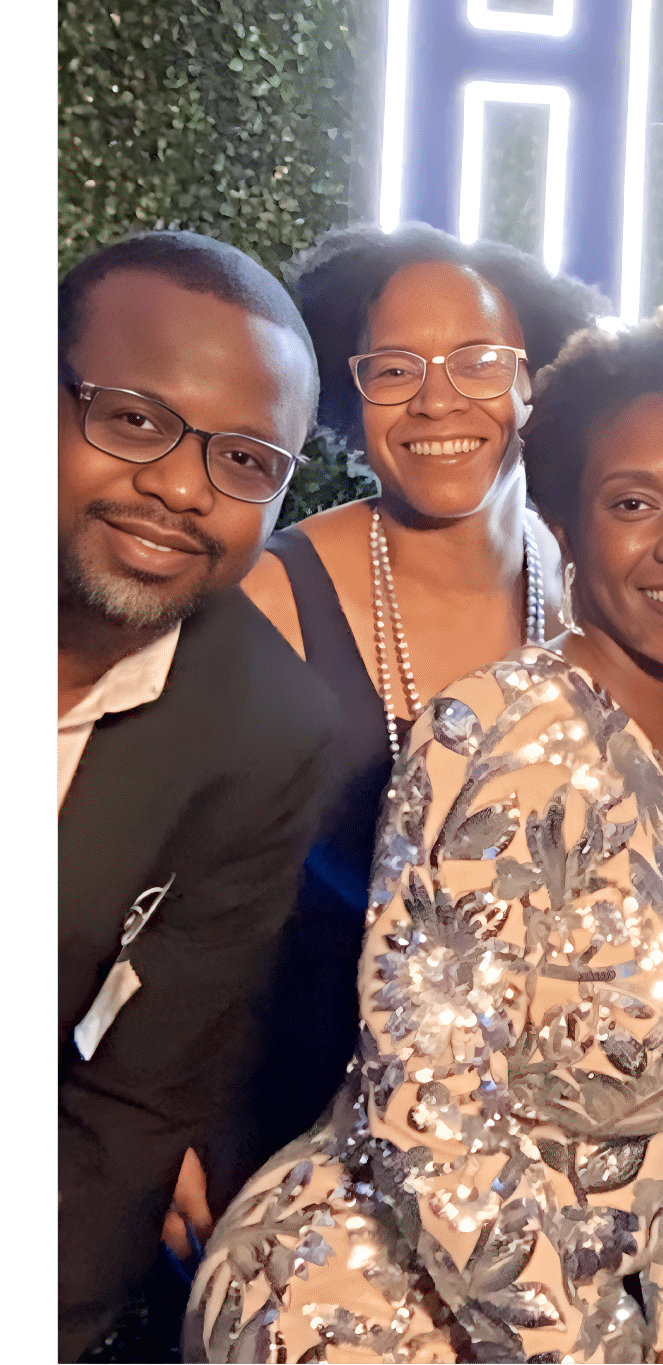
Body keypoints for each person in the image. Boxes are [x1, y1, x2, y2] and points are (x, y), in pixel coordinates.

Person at [185, 309, 663, 1363]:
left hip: (564, 1315)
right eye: (634, 502)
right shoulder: (500, 732)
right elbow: (430, 1109)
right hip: (363, 1307)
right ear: (562, 525)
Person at [226, 224, 604, 1201]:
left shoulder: (599, 592)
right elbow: (182, 890)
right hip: (300, 1129)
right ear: (352, 395)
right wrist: (170, 1113)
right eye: (396, 368)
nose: (437, 399)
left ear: (537, 383)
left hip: (541, 1148)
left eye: (478, 360)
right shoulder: (270, 600)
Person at [57, 231, 338, 1361]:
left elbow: (131, 1107)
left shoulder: (265, 730)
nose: (180, 487)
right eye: (133, 419)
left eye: (246, 460)